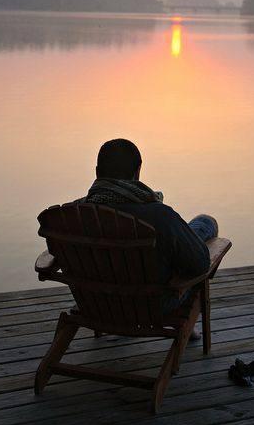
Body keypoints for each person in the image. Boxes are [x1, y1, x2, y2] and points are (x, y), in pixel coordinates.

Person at [77, 138, 219, 335]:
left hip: (95, 303)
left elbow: (56, 255)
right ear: (137, 172)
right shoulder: (158, 215)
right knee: (205, 223)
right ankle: (187, 325)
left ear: (97, 172)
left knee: (177, 236)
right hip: (154, 305)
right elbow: (200, 265)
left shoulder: (74, 215)